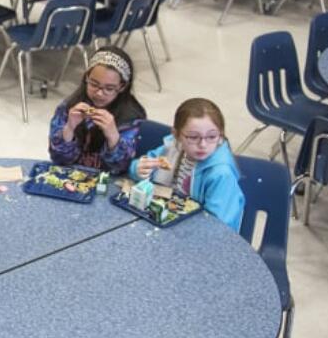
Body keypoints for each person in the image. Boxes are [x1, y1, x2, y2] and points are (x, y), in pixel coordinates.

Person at [131, 98, 245, 231]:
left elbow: (217, 227)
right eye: (193, 137)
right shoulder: (171, 148)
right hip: (167, 221)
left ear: (220, 135)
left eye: (212, 137)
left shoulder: (221, 174)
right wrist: (138, 169)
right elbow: (138, 169)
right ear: (176, 135)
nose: (203, 145)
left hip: (197, 235)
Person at [48, 47, 145, 175]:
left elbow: (121, 169)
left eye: (109, 89)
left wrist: (113, 136)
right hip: (70, 177)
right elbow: (58, 159)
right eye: (93, 84)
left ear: (122, 86)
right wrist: (69, 128)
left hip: (107, 181)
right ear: (86, 77)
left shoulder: (132, 118)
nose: (99, 93)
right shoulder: (70, 107)